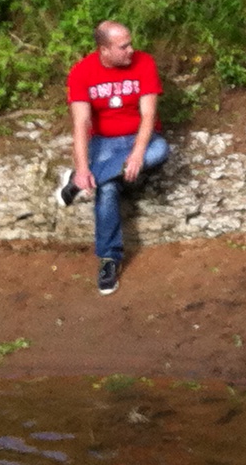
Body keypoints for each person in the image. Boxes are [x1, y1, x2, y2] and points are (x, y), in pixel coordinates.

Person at [59, 20, 167, 294]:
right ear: (104, 49)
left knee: (161, 150)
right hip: (104, 142)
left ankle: (76, 184)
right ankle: (110, 258)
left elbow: (148, 115)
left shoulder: (144, 63)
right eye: (124, 46)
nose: (131, 49)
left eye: (130, 43)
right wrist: (83, 167)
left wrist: (136, 155)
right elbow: (81, 123)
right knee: (107, 189)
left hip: (140, 138)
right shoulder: (82, 72)